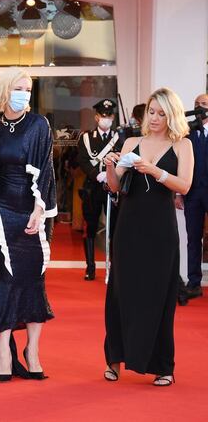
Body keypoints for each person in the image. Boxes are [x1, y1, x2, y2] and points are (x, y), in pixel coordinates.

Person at [103, 88, 193, 387]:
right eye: (152, 112)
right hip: (128, 226)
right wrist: (110, 167)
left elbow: (184, 186)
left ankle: (162, 365)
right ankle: (114, 361)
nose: (154, 118)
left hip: (160, 229)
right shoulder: (132, 141)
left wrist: (155, 171)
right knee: (120, 292)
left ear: (172, 115)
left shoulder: (182, 145)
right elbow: (115, 188)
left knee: (159, 295)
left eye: (161, 113)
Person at [0, 68, 57, 382]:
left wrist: (39, 209)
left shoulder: (39, 125)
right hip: (2, 210)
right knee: (7, 278)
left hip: (33, 208)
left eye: (28, 88)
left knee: (34, 278)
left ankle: (32, 350)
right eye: (19, 87)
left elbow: (46, 170)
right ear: (5, 90)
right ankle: (5, 350)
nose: (24, 93)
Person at [77, 99, 122, 281]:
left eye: (109, 116)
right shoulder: (86, 138)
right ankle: (90, 267)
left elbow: (124, 159)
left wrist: (111, 175)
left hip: (113, 188)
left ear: (113, 117)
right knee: (91, 227)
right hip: (93, 187)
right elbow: (82, 160)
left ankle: (112, 267)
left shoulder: (120, 138)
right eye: (102, 116)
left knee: (114, 228)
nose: (106, 119)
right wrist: (97, 174)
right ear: (96, 117)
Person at [177, 93, 208, 300]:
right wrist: (179, 192)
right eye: (197, 104)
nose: (200, 107)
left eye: (204, 104)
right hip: (193, 193)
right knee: (193, 238)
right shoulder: (187, 133)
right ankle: (194, 283)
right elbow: (180, 163)